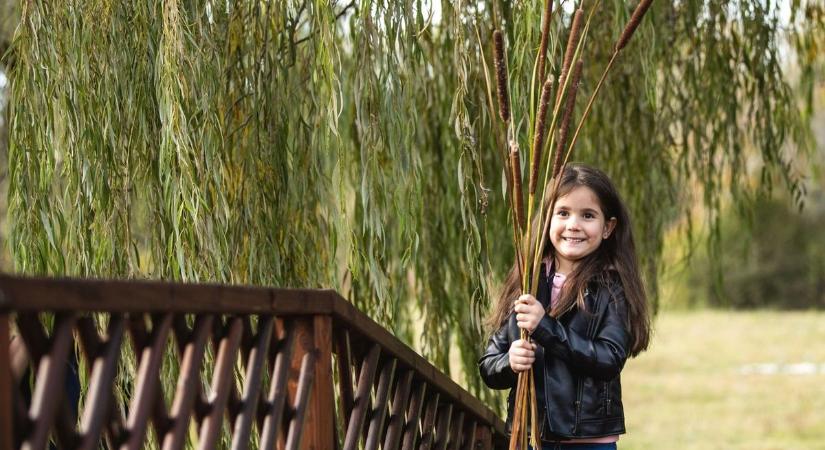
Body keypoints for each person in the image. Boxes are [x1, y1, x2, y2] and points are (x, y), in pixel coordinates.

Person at [479, 164, 652, 450]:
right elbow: (488, 365)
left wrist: (544, 327)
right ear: (547, 220)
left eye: (587, 215)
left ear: (608, 227)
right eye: (563, 213)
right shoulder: (529, 281)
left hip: (587, 441)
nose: (573, 224)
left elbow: (609, 358)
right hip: (531, 436)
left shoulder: (611, 287)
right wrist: (509, 361)